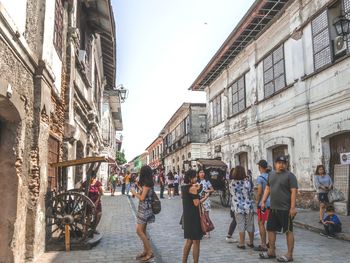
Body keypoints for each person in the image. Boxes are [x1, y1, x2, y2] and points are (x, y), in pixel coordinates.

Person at [259, 156, 298, 262]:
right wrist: (263, 201)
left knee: (288, 231)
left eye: (283, 163)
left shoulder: (290, 176)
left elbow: (294, 191)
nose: (281, 164)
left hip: (286, 209)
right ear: (275, 163)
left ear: (286, 164)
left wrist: (293, 207)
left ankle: (289, 254)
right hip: (273, 208)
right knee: (270, 229)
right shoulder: (271, 175)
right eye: (279, 162)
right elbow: (268, 188)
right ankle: (271, 251)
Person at [181, 169, 208, 263]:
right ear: (190, 178)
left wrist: (198, 187)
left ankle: (184, 261)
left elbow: (195, 189)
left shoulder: (184, 187)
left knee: (189, 241)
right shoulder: (192, 188)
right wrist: (205, 197)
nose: (196, 178)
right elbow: (196, 203)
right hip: (194, 217)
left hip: (187, 216)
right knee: (196, 241)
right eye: (195, 177)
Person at [130, 165, 155, 262]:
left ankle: (149, 252)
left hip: (144, 210)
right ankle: (145, 250)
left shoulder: (147, 184)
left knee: (139, 231)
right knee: (143, 231)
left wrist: (133, 192)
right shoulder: (148, 183)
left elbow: (142, 198)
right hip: (146, 209)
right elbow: (145, 193)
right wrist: (138, 186)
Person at [231, 165, 255, 249]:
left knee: (240, 224)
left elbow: (232, 194)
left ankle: (241, 243)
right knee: (250, 224)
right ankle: (251, 242)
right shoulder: (248, 182)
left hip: (238, 206)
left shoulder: (232, 183)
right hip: (248, 206)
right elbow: (251, 193)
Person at [80, 164, 103, 232]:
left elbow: (101, 193)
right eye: (88, 177)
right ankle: (86, 231)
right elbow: (79, 190)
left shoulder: (98, 183)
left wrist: (97, 201)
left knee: (98, 215)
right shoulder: (86, 183)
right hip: (88, 202)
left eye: (91, 177)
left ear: (94, 177)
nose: (89, 178)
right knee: (89, 216)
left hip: (96, 201)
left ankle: (93, 228)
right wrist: (83, 196)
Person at [254, 160, 270, 252]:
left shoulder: (260, 178)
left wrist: (257, 201)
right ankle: (271, 243)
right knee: (270, 224)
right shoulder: (271, 176)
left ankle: (263, 244)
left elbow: (259, 192)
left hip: (263, 203)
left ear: (260, 167)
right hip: (271, 203)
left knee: (261, 223)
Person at [198, 168, 214, 238]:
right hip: (198, 200)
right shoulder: (196, 182)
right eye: (200, 172)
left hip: (206, 201)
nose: (202, 173)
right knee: (199, 216)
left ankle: (208, 231)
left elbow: (212, 189)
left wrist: (206, 191)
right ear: (198, 174)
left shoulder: (207, 181)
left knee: (206, 216)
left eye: (203, 172)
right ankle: (201, 230)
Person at [226, 167, 238, 243]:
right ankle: (229, 235)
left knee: (236, 220)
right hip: (235, 205)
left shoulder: (232, 182)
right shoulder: (233, 183)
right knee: (235, 220)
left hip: (233, 205)